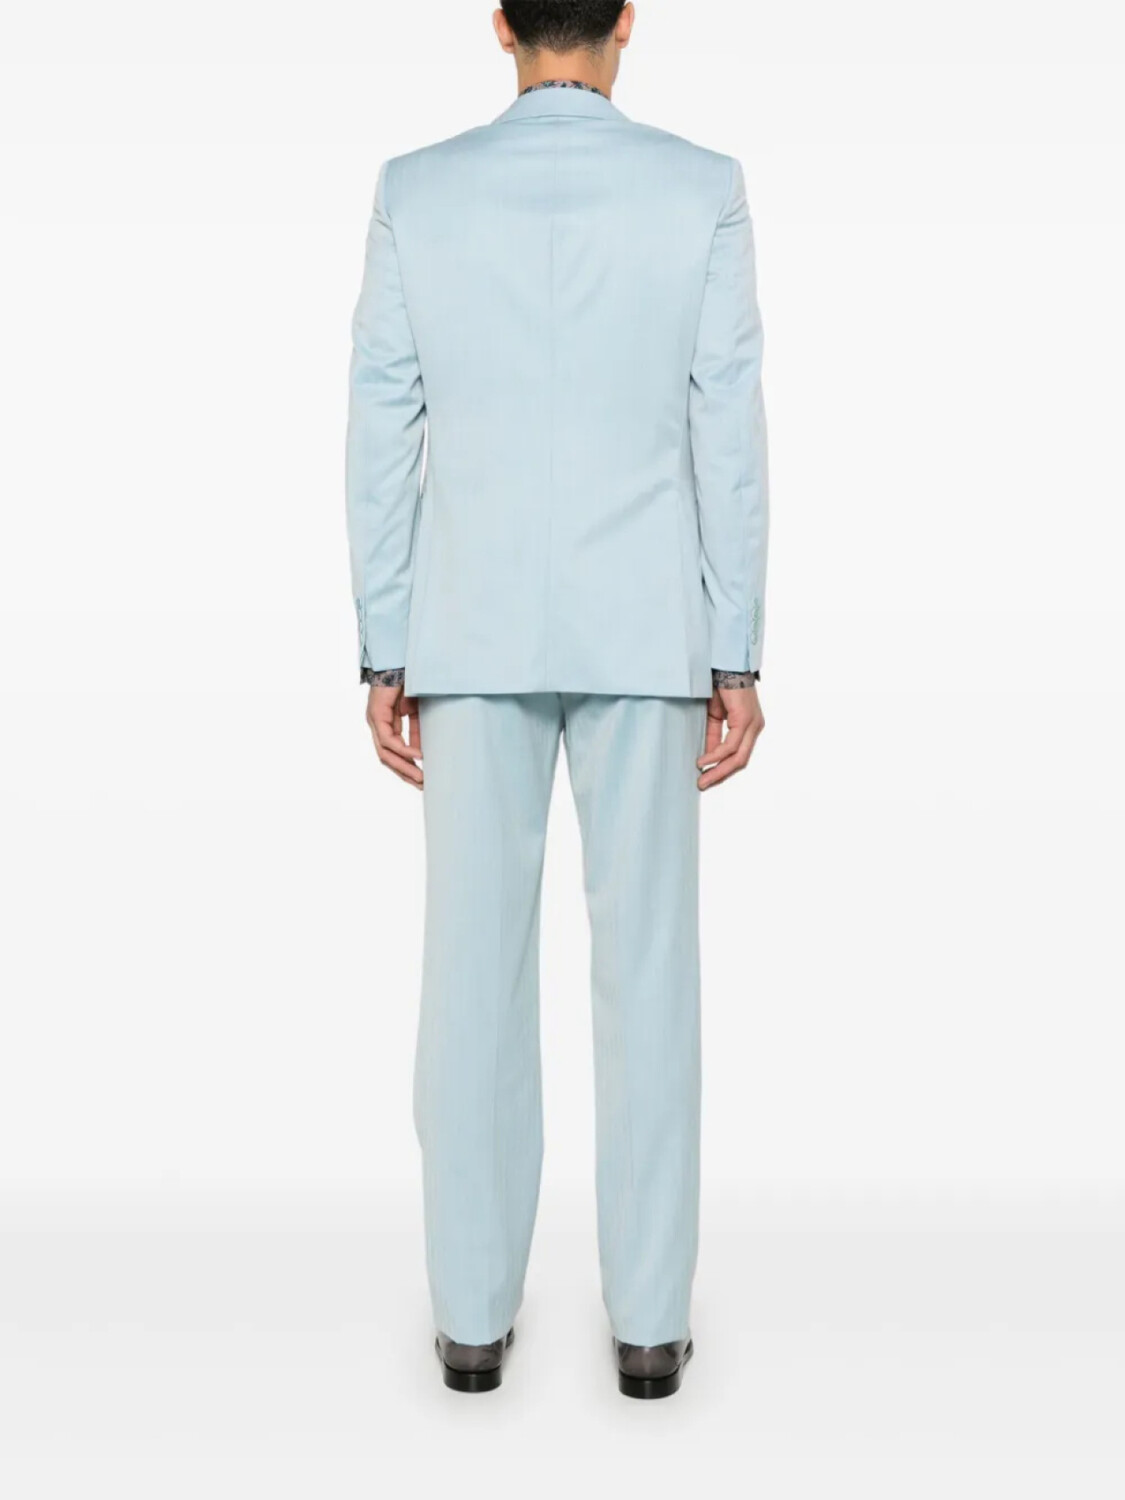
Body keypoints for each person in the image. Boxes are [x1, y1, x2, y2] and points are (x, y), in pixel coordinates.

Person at [345, 0, 768, 1400]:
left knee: (469, 979)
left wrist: (385, 644)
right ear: (627, 21)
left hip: (469, 629)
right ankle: (647, 1327)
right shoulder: (700, 189)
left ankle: (471, 1322)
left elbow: (382, 425)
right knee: (648, 975)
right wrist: (735, 652)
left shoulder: (417, 192)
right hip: (646, 626)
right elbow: (725, 430)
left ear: (501, 25)